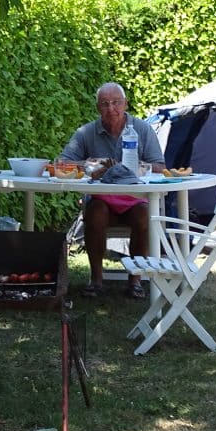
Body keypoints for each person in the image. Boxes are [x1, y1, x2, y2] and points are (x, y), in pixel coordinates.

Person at [59, 82, 166, 299]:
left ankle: (135, 280)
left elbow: (160, 167)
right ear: (98, 108)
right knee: (95, 212)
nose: (111, 108)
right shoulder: (87, 132)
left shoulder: (141, 129)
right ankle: (96, 280)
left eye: (116, 102)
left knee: (144, 217)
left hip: (134, 197)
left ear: (126, 104)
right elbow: (63, 163)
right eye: (105, 104)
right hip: (102, 199)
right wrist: (91, 164)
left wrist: (137, 167)